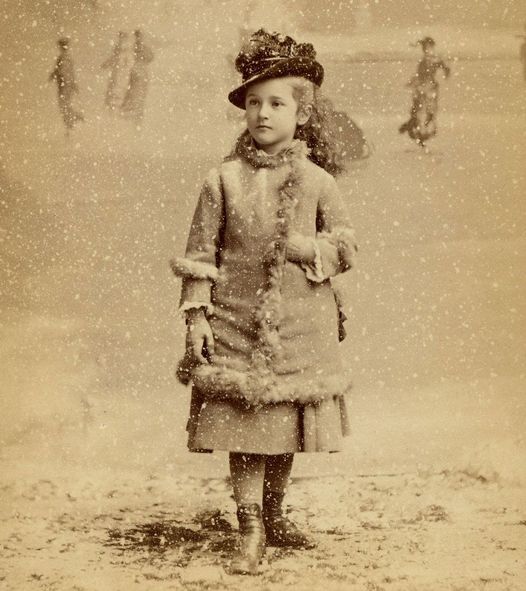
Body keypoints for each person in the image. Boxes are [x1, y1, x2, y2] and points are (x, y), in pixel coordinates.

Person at [170, 29, 357, 575]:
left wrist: (310, 248)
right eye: (253, 102)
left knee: (282, 425)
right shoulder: (221, 181)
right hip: (235, 319)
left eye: (276, 102)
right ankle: (248, 522)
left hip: (303, 321)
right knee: (243, 423)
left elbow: (347, 245)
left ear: (302, 113)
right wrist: (197, 317)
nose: (262, 113)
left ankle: (274, 513)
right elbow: (199, 255)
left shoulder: (320, 181)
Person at [398, 36, 450, 148]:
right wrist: (413, 83)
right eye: (426, 47)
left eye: (429, 47)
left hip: (428, 88)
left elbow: (443, 68)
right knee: (420, 111)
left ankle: (417, 131)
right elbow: (420, 75)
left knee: (427, 112)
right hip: (424, 88)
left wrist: (445, 71)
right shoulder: (427, 60)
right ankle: (417, 132)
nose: (428, 49)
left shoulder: (432, 59)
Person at [48, 37, 84, 133]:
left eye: (62, 46)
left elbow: (63, 71)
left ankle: (72, 122)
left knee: (64, 105)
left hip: (65, 85)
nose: (62, 48)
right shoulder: (65, 58)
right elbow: (66, 71)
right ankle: (72, 121)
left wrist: (55, 75)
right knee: (64, 105)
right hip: (65, 85)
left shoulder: (64, 58)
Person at [120, 29, 154, 123]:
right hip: (138, 72)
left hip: (138, 72)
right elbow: (150, 57)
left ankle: (133, 117)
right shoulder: (137, 47)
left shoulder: (138, 47)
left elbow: (150, 56)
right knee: (135, 96)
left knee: (136, 96)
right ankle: (133, 117)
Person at [101, 31, 132, 111]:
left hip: (121, 74)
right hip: (117, 74)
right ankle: (113, 107)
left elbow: (126, 63)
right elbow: (113, 59)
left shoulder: (127, 51)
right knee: (114, 88)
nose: (121, 40)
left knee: (119, 89)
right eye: (120, 38)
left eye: (122, 37)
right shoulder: (119, 50)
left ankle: (116, 107)